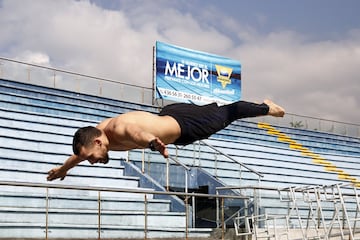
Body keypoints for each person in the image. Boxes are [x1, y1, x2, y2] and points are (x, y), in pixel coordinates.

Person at [47, 99, 284, 181]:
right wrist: (63, 169)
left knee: (228, 114)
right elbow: (78, 156)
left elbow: (136, 133)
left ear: (98, 143)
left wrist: (152, 142)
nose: (91, 162)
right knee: (220, 115)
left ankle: (267, 107)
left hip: (185, 125)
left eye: (91, 158)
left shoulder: (118, 130)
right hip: (171, 118)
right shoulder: (95, 134)